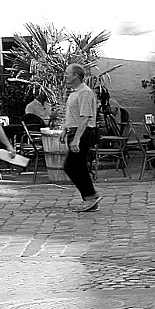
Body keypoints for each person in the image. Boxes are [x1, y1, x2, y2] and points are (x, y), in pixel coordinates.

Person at [61, 65, 100, 211]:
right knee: (79, 166)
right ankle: (90, 198)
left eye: (67, 74)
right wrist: (66, 129)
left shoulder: (84, 93)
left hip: (83, 133)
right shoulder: (74, 93)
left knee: (70, 166)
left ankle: (90, 196)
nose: (65, 76)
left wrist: (77, 139)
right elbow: (74, 115)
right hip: (75, 131)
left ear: (76, 75)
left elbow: (85, 118)